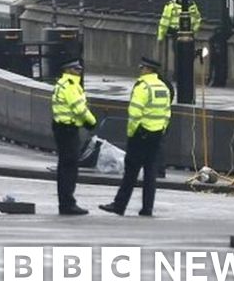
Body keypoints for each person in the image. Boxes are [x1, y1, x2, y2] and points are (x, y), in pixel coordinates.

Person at [100, 57, 172, 217]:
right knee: (150, 173)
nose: (141, 70)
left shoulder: (142, 86)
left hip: (140, 134)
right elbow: (167, 112)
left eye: (142, 68)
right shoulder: (163, 87)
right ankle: (147, 208)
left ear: (147, 69)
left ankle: (119, 205)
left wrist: (131, 133)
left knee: (130, 172)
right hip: (156, 134)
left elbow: (134, 113)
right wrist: (161, 129)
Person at [51, 60, 97, 215]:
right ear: (68, 70)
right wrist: (91, 122)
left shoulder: (62, 83)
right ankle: (68, 203)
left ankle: (65, 202)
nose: (79, 71)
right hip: (68, 129)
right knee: (69, 168)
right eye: (76, 69)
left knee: (64, 167)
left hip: (61, 128)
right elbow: (79, 108)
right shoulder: (70, 86)